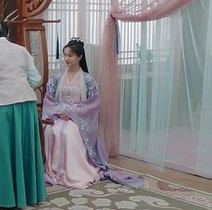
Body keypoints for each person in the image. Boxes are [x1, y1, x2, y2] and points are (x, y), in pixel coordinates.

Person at [42, 38, 144, 189]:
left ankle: (73, 171)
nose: (66, 59)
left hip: (78, 119)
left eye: (70, 55)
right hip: (59, 116)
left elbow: (93, 104)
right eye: (65, 55)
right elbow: (49, 99)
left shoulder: (88, 80)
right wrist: (59, 110)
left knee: (67, 133)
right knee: (52, 130)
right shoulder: (56, 78)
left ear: (80, 57)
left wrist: (71, 112)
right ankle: (54, 170)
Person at [0, 20, 47, 208]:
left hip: (5, 105)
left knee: (3, 150)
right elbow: (36, 79)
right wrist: (20, 86)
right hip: (27, 103)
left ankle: (5, 197)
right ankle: (28, 194)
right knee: (25, 147)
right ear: (7, 33)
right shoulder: (22, 50)